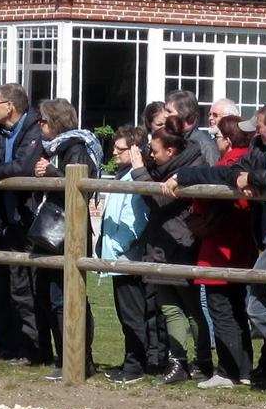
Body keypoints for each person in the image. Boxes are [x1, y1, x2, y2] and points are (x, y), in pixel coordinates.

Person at [163, 101, 266, 398]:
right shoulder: (261, 150)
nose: (253, 133)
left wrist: (253, 178)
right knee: (257, 308)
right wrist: (184, 177)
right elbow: (228, 172)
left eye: (258, 128)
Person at [129, 114, 210, 384]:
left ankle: (202, 361)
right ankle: (179, 362)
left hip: (180, 242)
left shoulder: (188, 168)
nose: (150, 155)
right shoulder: (164, 165)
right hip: (160, 243)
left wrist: (140, 170)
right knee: (169, 307)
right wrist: (148, 165)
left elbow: (158, 201)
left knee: (190, 307)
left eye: (155, 151)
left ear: (171, 151)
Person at [31, 98, 101, 378]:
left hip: (69, 234)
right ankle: (65, 357)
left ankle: (78, 358)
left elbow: (75, 188)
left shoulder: (76, 148)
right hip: (55, 233)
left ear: (56, 123)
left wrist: (49, 172)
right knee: (51, 296)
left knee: (66, 298)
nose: (40, 125)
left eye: (44, 121)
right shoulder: (55, 148)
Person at [0, 83, 43, 365]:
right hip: (3, 218)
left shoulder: (33, 129)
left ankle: (33, 349)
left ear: (10, 106)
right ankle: (9, 345)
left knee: (27, 287)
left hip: (28, 218)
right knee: (4, 285)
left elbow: (23, 167)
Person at [192, 116, 257, 388]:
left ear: (228, 140)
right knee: (238, 309)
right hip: (243, 247)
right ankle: (243, 368)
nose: (216, 141)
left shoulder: (229, 164)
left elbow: (203, 197)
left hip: (221, 246)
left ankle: (228, 370)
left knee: (222, 310)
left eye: (218, 137)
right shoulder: (250, 160)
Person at [98, 126, 152, 383]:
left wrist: (117, 247)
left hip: (127, 257)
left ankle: (135, 365)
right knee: (125, 312)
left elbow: (135, 220)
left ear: (134, 150)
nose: (114, 152)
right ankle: (131, 360)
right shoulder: (124, 176)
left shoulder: (133, 180)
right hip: (120, 257)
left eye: (120, 149)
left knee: (132, 312)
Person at [164, 89, 218, 165]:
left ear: (184, 114)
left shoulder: (206, 146)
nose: (165, 115)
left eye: (169, 111)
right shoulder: (168, 138)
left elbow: (212, 174)